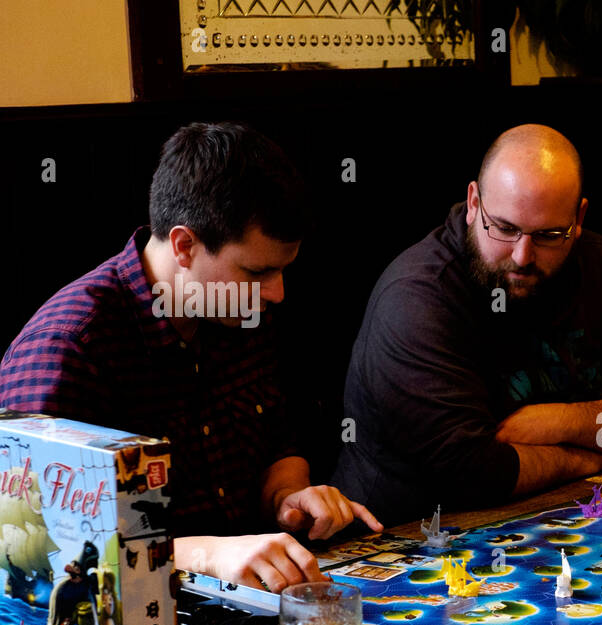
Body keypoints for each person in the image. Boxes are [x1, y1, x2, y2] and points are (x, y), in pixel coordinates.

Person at [0, 122, 380, 593]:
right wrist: (207, 554)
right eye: (258, 271)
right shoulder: (70, 347)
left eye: (283, 271)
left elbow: (279, 445)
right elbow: (30, 558)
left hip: (248, 606)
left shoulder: (235, 311)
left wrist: (288, 497)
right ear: (184, 245)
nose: (278, 293)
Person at [332, 124, 602, 524]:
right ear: (474, 203)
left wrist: (564, 421)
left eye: (548, 235)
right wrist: (586, 457)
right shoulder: (417, 297)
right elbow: (474, 472)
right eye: (506, 229)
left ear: (578, 218)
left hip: (557, 523)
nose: (523, 256)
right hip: (405, 539)